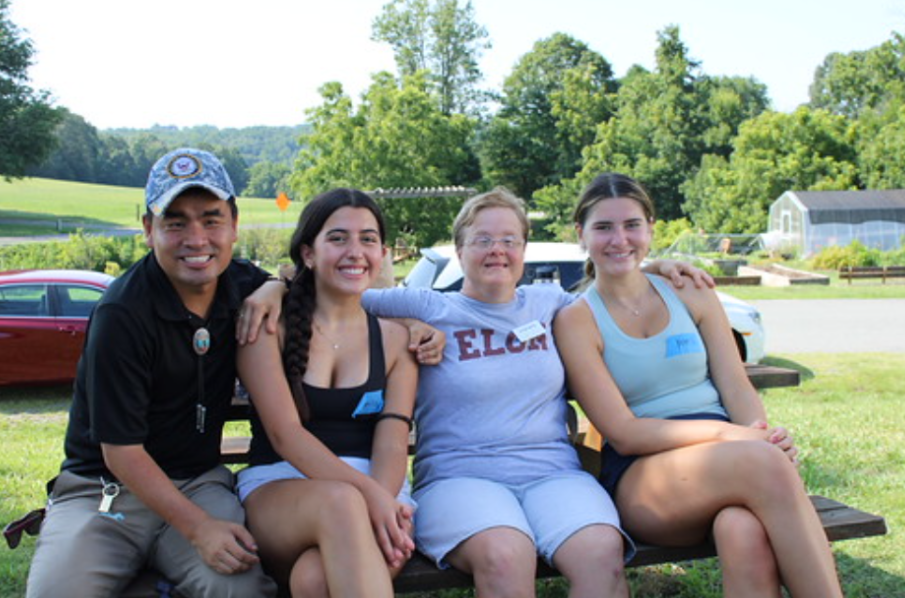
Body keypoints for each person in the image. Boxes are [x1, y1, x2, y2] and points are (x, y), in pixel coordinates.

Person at [361, 187, 710, 598]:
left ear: (524, 249)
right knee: (506, 555)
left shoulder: (550, 303)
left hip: (552, 473)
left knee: (601, 553)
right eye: (483, 240)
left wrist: (657, 267)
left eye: (510, 240)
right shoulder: (429, 306)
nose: (497, 250)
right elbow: (333, 294)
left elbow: (614, 288)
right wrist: (407, 325)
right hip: (459, 476)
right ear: (459, 249)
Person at [554, 172, 844, 597]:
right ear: (581, 234)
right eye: (603, 227)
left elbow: (736, 385)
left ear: (651, 228)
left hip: (731, 459)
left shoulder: (689, 290)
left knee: (741, 529)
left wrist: (759, 434)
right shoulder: (577, 319)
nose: (620, 239)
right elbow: (625, 434)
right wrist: (738, 438)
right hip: (646, 479)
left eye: (632, 225)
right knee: (766, 465)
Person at [26, 148, 287, 598]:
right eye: (175, 222)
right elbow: (121, 453)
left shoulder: (241, 283)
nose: (197, 238)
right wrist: (201, 529)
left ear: (234, 225)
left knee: (241, 590)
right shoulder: (122, 314)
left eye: (211, 219)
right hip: (104, 493)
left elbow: (308, 281)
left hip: (199, 482)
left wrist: (278, 286)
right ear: (149, 229)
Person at [235, 188, 419, 598]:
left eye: (368, 239)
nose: (355, 251)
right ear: (308, 253)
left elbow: (391, 441)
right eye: (338, 238)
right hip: (279, 488)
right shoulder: (266, 329)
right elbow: (286, 435)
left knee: (314, 581)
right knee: (341, 502)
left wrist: (382, 500)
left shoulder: (395, 340)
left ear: (383, 253)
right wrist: (369, 498)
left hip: (381, 491)